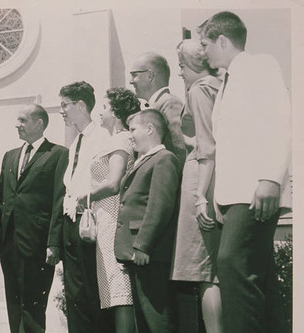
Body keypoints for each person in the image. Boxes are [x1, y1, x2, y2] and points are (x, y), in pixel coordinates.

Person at [199, 11, 291, 332]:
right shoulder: (227, 81)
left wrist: (270, 177)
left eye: (206, 44)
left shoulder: (259, 66)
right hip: (234, 197)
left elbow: (281, 120)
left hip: (255, 192)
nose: (203, 52)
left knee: (233, 266)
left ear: (223, 40)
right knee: (259, 277)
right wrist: (219, 201)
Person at [0, 104, 68, 333]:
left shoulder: (58, 154)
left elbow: (58, 200)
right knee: (14, 306)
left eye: (23, 120)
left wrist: (53, 242)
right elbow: (1, 198)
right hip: (9, 245)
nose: (18, 125)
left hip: (38, 245)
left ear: (39, 123)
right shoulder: (10, 156)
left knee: (34, 308)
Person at [76, 87, 140, 333]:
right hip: (104, 221)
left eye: (104, 107)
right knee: (114, 293)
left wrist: (86, 196)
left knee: (120, 292)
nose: (100, 112)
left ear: (115, 112)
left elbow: (114, 182)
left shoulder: (122, 138)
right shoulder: (114, 139)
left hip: (114, 220)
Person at [170, 39, 223, 333]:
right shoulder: (220, 86)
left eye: (181, 65)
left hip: (201, 179)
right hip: (215, 175)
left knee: (205, 271)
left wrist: (200, 195)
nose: (180, 72)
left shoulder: (200, 89)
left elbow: (206, 146)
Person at [114, 110, 180, 333]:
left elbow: (160, 207)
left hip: (148, 253)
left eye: (133, 129)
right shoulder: (146, 160)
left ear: (150, 129)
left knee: (157, 320)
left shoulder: (163, 159)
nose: (130, 135)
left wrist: (143, 244)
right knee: (144, 322)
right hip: (137, 254)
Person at [59, 81, 113, 333]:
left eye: (65, 105)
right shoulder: (75, 143)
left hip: (90, 224)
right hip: (71, 222)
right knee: (74, 293)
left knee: (91, 291)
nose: (62, 111)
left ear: (80, 106)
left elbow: (106, 182)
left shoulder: (102, 137)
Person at [129, 52, 186, 166]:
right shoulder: (157, 104)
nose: (131, 81)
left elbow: (180, 150)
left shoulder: (170, 103)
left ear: (150, 76)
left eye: (134, 75)